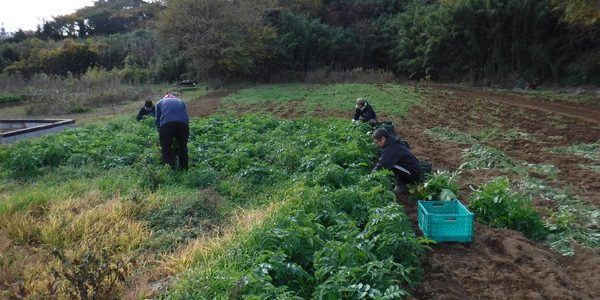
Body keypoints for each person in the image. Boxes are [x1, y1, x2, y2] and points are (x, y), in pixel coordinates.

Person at [371, 128, 421, 194]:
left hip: (412, 174)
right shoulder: (393, 141)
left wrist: (370, 176)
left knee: (389, 165)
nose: (376, 144)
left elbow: (382, 165)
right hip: (413, 169)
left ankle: (401, 184)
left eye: (377, 142)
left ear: (383, 139)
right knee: (389, 163)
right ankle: (399, 181)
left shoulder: (391, 148)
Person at [155, 93, 189, 170]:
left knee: (166, 147)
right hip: (183, 124)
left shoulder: (159, 103)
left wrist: (160, 132)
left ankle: (169, 169)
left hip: (166, 125)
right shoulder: (180, 101)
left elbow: (158, 119)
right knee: (183, 147)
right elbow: (186, 115)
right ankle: (184, 169)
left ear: (164, 98)